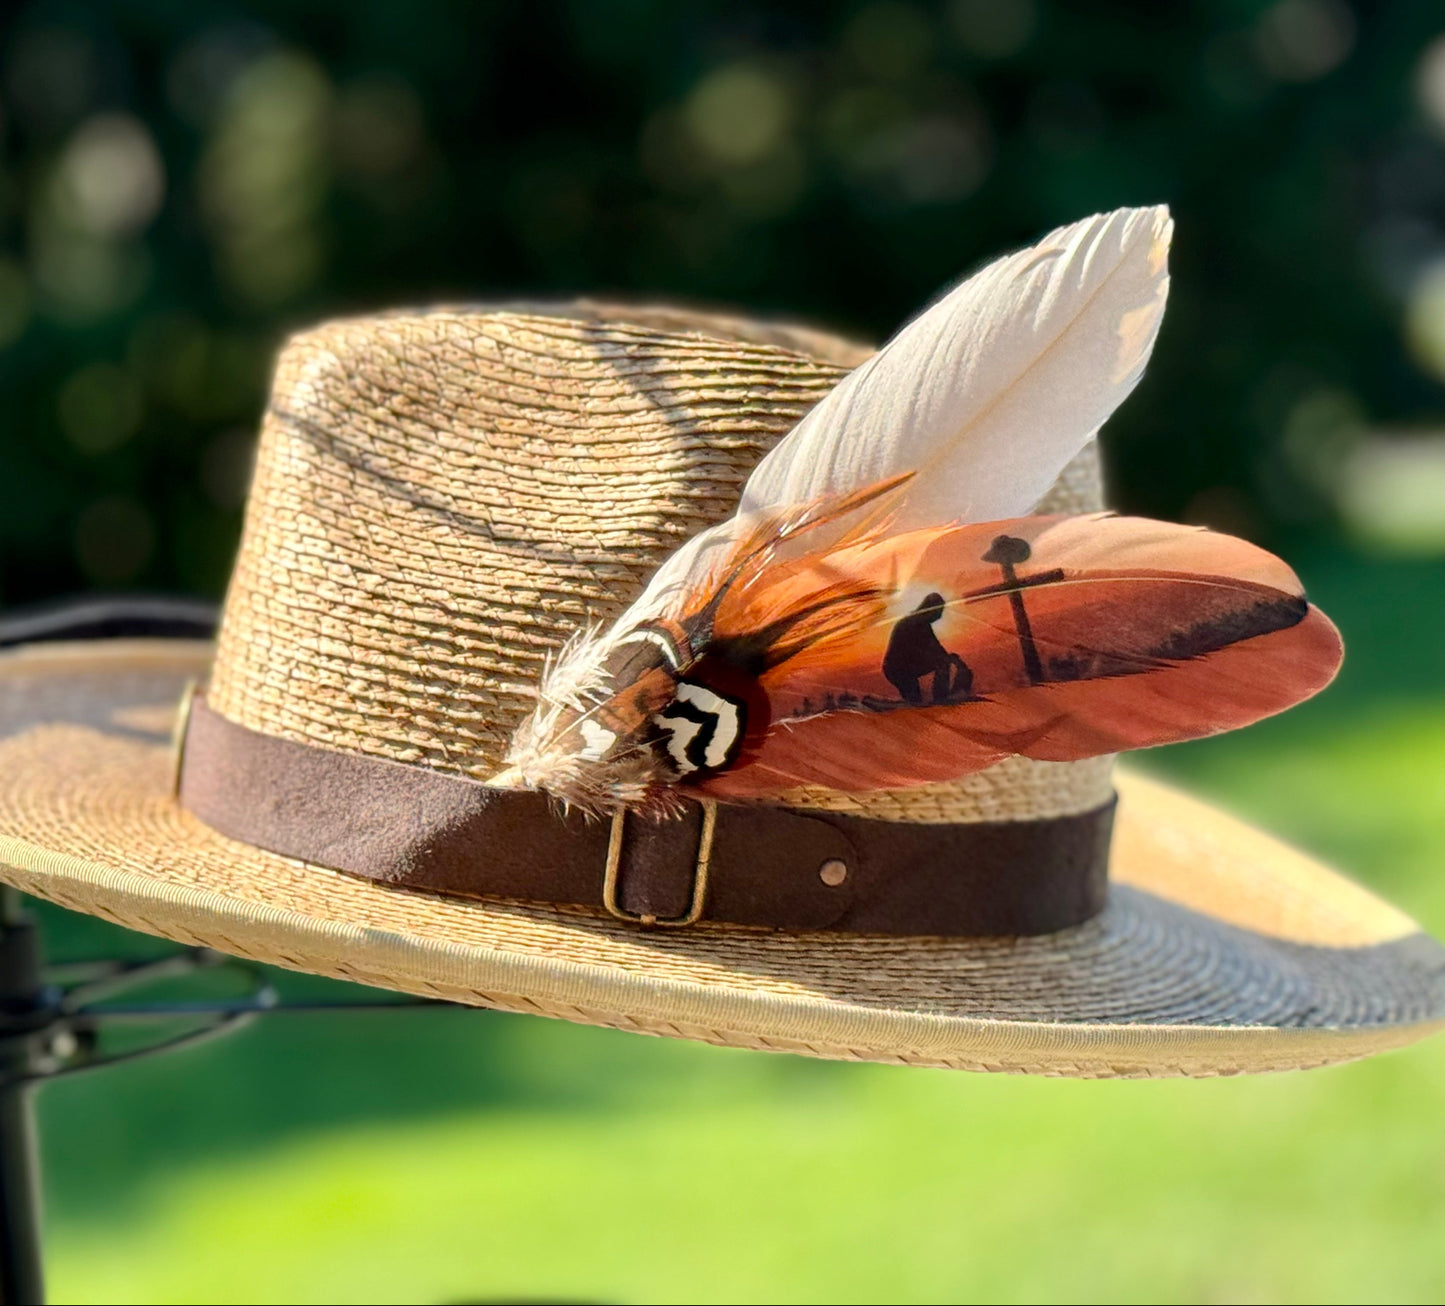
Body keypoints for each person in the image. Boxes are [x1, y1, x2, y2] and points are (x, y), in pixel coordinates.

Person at [882, 592, 973, 704]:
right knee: (941, 664)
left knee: (915, 697)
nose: (940, 616)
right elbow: (917, 651)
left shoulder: (921, 623)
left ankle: (933, 698)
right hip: (898, 669)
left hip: (902, 668)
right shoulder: (914, 624)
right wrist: (944, 658)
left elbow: (935, 647)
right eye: (939, 611)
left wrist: (951, 658)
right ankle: (940, 698)